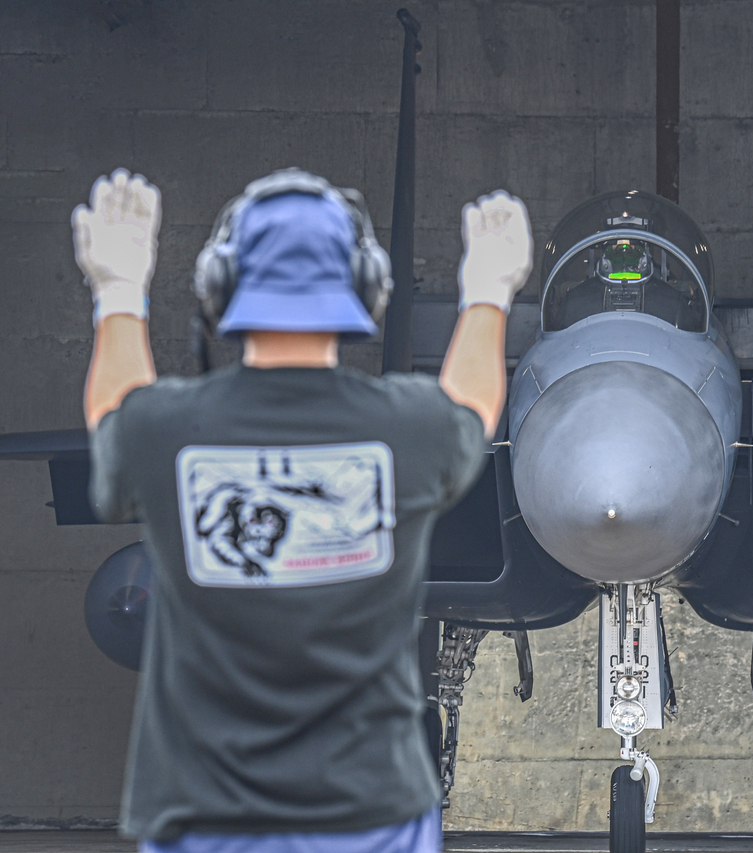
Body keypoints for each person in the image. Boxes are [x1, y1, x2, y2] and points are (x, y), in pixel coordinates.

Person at [73, 167, 533, 853]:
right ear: (365, 289)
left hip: (205, 820)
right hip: (372, 820)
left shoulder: (163, 432)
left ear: (222, 288)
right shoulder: (409, 431)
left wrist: (117, 289)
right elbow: (471, 403)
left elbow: (117, 416)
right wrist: (489, 291)